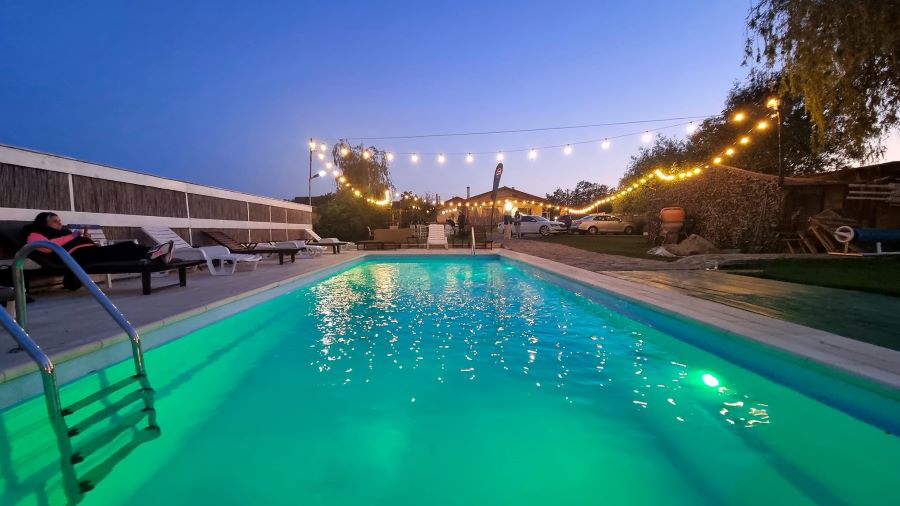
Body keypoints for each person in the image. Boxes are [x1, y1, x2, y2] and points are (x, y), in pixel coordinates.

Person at [23, 212, 174, 289]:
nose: (59, 223)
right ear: (44, 223)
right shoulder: (34, 234)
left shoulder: (62, 232)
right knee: (125, 248)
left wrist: (84, 238)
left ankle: (156, 253)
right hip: (77, 257)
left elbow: (71, 241)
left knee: (125, 246)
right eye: (55, 221)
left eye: (59, 220)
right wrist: (72, 237)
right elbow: (46, 247)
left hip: (88, 252)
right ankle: (155, 253)